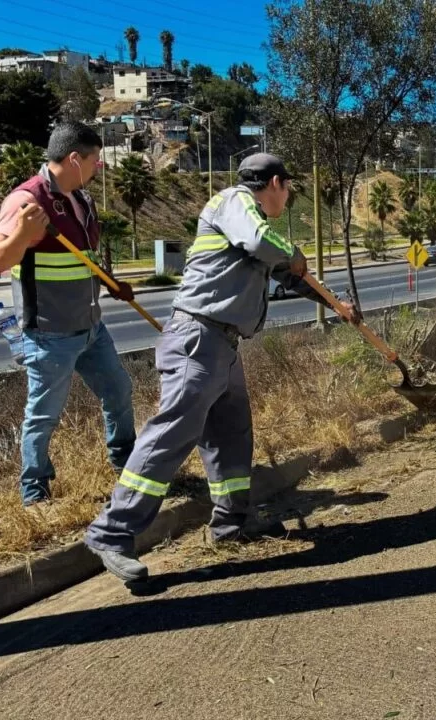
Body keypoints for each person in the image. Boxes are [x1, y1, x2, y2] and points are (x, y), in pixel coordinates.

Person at [84, 153, 356, 583]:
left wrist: (337, 305)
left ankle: (231, 522)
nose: (288, 196)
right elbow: (270, 248)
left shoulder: (250, 224)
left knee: (231, 434)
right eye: (287, 187)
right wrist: (295, 251)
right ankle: (111, 531)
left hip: (222, 345)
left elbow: (290, 275)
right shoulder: (234, 203)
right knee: (170, 434)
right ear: (274, 183)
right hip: (197, 339)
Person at [0, 122, 136, 508]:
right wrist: (23, 233)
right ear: (74, 158)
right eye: (95, 160)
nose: (98, 167)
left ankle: (128, 466)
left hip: (91, 327)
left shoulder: (81, 199)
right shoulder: (25, 201)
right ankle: (34, 493)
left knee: (119, 391)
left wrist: (112, 283)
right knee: (43, 415)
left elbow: (81, 260)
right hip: (49, 333)